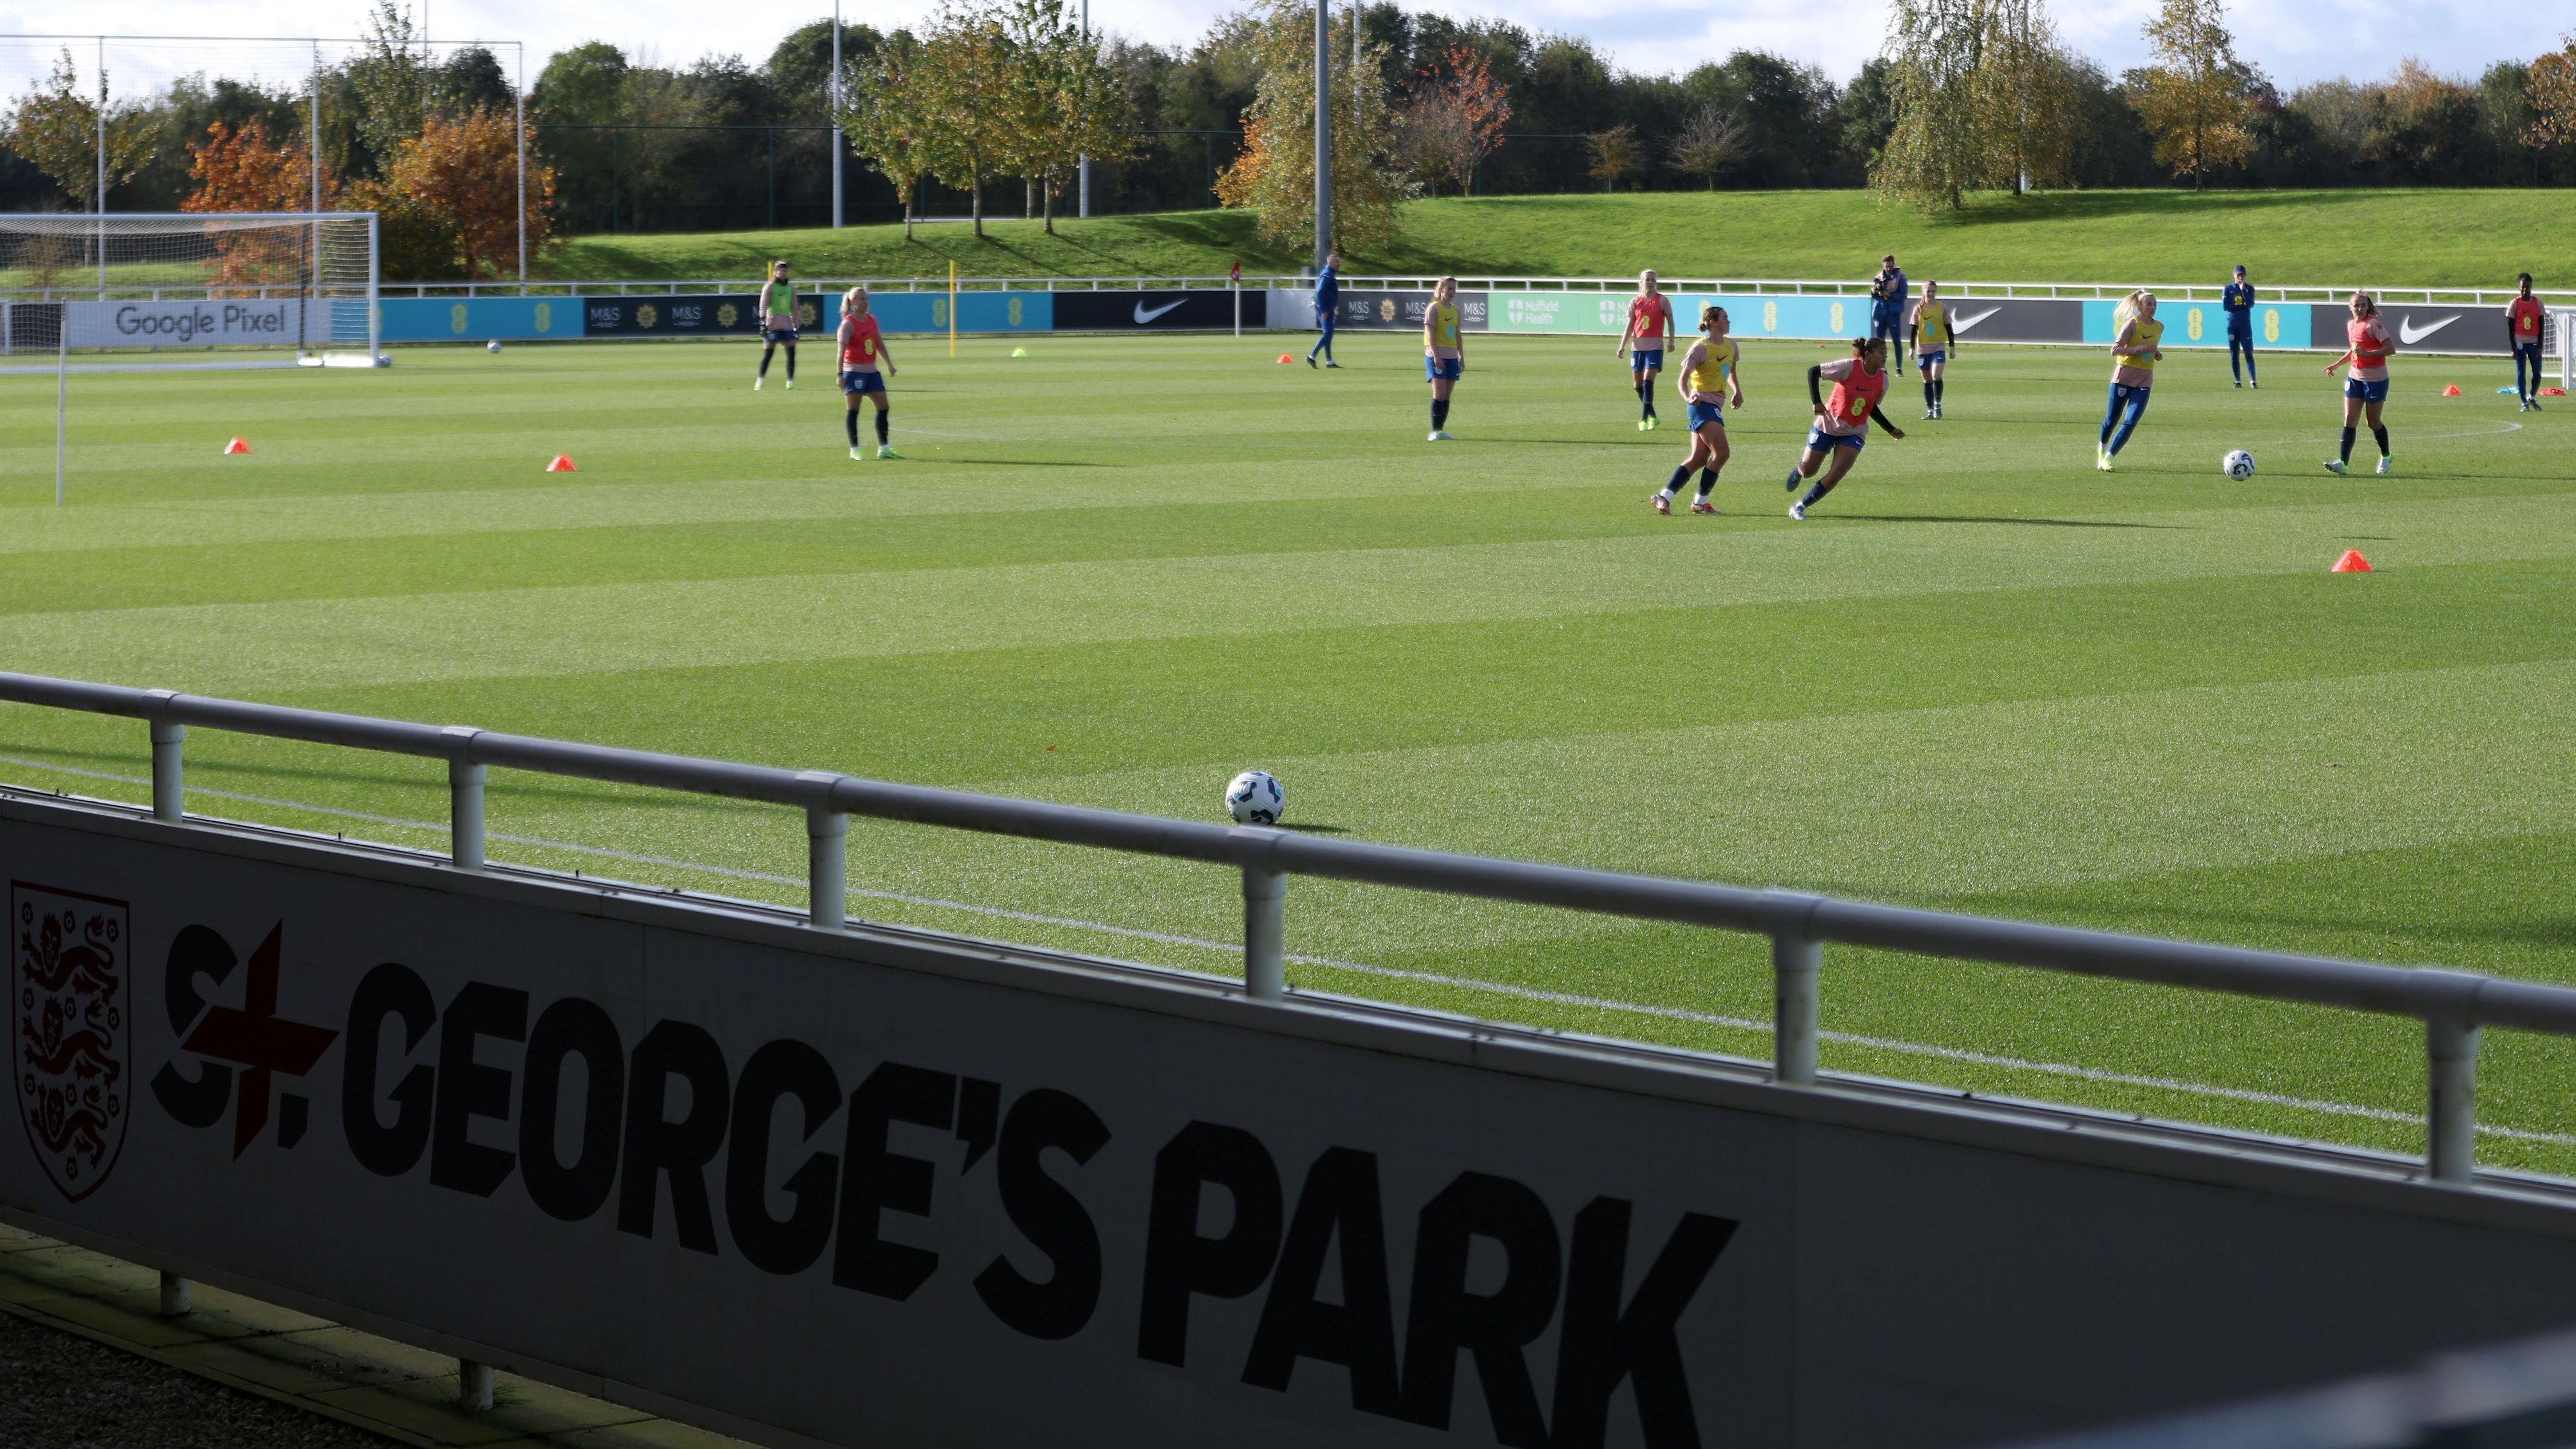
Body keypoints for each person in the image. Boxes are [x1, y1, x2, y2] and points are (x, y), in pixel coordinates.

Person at [1783, 336, 1905, 520]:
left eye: (1886, 353)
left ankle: (1799, 507)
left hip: (1854, 432)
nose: (1885, 356)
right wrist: (1816, 402)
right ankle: (1799, 471)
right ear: (1868, 354)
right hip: (1828, 424)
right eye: (1881, 352)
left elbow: (1871, 406)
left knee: (1838, 472)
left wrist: (1890, 429)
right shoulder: (1848, 367)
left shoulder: (1883, 380)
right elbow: (1813, 372)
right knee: (1809, 471)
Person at [1650, 306, 1745, 515]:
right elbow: (1682, 381)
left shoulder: (1731, 346)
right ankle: (1700, 502)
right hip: (1701, 404)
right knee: (1722, 453)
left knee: (1699, 458)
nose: (1729, 322)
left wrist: (1737, 391)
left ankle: (1664, 496)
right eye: (1725, 318)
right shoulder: (1700, 348)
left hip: (1715, 403)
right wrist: (1688, 397)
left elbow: (1730, 372)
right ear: (1713, 322)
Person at [2323, 291, 2395, 475]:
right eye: (2356, 305)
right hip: (2355, 377)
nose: (2360, 308)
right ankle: (2343, 463)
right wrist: (2337, 364)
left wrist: (2369, 354)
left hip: (2376, 379)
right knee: (2349, 419)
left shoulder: (2373, 324)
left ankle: (2386, 455)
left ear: (2368, 306)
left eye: (2363, 305)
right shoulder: (2351, 325)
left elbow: (2390, 349)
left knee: (2373, 422)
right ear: (2350, 307)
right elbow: (2354, 350)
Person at [2097, 290, 2164, 472]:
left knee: (2131, 421)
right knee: (2112, 420)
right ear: (2139, 306)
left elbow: (2150, 351)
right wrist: (2139, 349)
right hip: (2124, 377)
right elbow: (2115, 350)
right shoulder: (2132, 325)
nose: (2153, 307)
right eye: (2149, 304)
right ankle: (2101, 452)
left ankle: (2109, 459)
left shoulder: (2159, 327)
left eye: (2155, 304)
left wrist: (2156, 354)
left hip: (2145, 380)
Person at [838, 287, 901, 461]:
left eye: (866, 299)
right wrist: (840, 374)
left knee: (883, 407)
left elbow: (878, 343)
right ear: (852, 303)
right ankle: (855, 449)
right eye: (861, 299)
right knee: (853, 411)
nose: (865, 302)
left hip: (872, 371)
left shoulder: (872, 320)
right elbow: (841, 352)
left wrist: (889, 364)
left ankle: (884, 448)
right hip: (854, 372)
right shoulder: (848, 324)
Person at [1616, 270, 1677, 430]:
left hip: (1655, 346)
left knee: (1648, 382)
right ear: (1641, 282)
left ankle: (1643, 418)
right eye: (1647, 280)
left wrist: (1671, 341)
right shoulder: (1635, 302)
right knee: (1637, 385)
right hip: (1637, 347)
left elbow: (1671, 322)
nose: (1650, 283)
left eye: (1653, 280)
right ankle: (1653, 416)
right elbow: (1630, 326)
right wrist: (1622, 345)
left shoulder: (1662, 301)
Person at [1423, 276, 1465, 441]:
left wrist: (1461, 356)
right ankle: (1434, 431)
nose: (1452, 292)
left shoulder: (1456, 310)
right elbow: (1430, 333)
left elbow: (1457, 335)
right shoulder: (1434, 308)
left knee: (1447, 395)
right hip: (1436, 356)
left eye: (1454, 289)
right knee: (1439, 394)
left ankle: (1441, 430)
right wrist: (1436, 356)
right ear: (1441, 289)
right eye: (1449, 289)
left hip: (1452, 357)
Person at [1907, 279, 1954, 419]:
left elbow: (1949, 328)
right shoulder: (1918, 308)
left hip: (1938, 346)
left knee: (1936, 376)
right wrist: (1911, 349)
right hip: (1922, 348)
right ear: (1924, 291)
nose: (1931, 294)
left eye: (1933, 291)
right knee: (1927, 381)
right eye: (1928, 291)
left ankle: (1938, 405)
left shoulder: (1942, 308)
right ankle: (1929, 410)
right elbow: (1914, 330)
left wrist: (1952, 347)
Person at [754, 260, 799, 390]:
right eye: (781, 271)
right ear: (776, 272)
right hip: (772, 324)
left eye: (785, 271)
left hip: (787, 325)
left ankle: (790, 381)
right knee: (768, 354)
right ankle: (760, 380)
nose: (784, 273)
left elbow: (795, 308)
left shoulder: (790, 288)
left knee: (791, 354)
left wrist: (796, 326)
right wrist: (762, 322)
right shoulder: (770, 286)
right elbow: (763, 305)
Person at [2509, 272, 2545, 412]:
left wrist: (2540, 346)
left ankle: (2532, 396)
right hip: (2519, 342)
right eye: (2523, 287)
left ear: (2531, 287)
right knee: (2521, 372)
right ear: (2519, 287)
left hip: (2534, 342)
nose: (2525, 290)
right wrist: (2513, 348)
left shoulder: (2538, 303)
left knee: (2537, 372)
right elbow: (2510, 327)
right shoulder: (2515, 303)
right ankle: (2524, 401)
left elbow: (2542, 325)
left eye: (2528, 287)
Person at [1869, 254, 1909, 377]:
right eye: (1887, 267)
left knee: (1896, 341)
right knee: (1879, 343)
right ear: (1883, 265)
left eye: (1891, 266)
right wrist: (1875, 292)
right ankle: (1881, 368)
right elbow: (1875, 296)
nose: (1889, 269)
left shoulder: (1900, 277)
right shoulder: (1879, 277)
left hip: (1893, 313)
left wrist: (1890, 295)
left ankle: (1899, 368)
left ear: (1894, 264)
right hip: (1880, 312)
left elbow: (1903, 295)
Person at [2222, 265, 2258, 389]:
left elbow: (2250, 304)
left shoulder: (2249, 289)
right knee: (2234, 353)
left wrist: (2243, 292)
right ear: (2234, 275)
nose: (2240, 277)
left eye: (2242, 275)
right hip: (2232, 325)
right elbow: (2226, 307)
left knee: (2249, 353)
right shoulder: (2228, 289)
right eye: (2238, 275)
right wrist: (2241, 306)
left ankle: (2253, 380)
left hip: (2245, 326)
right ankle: (2237, 380)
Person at [1307, 252, 1341, 368]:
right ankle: (1311, 357)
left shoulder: (1329, 273)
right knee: (1327, 334)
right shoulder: (1328, 274)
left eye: (1339, 261)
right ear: (1330, 263)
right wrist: (1325, 310)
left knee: (1328, 334)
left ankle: (1329, 362)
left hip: (1326, 307)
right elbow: (1320, 291)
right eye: (1336, 262)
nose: (1339, 263)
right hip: (1325, 308)